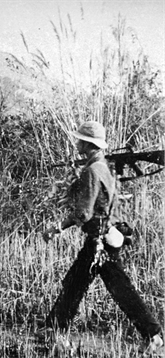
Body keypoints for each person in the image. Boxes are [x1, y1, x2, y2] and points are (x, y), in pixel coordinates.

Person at [42, 121, 163, 352]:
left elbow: (84, 213)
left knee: (103, 288)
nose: (76, 142)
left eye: (80, 140)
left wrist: (56, 228)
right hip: (105, 238)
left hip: (100, 242)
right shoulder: (103, 167)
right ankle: (52, 330)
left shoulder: (92, 171)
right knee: (77, 283)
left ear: (88, 145)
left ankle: (153, 335)